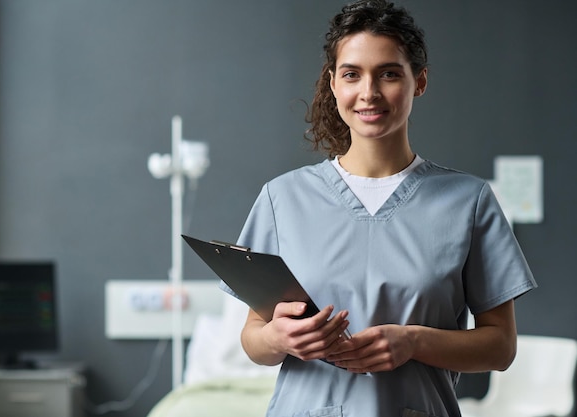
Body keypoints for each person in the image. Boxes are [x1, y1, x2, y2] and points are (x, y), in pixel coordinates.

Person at [221, 1, 537, 416]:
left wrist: (414, 341)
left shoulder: (468, 202)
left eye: (389, 73)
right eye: (352, 74)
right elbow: (254, 339)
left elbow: (500, 347)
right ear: (333, 83)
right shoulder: (283, 199)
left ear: (419, 81)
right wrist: (279, 340)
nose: (368, 93)